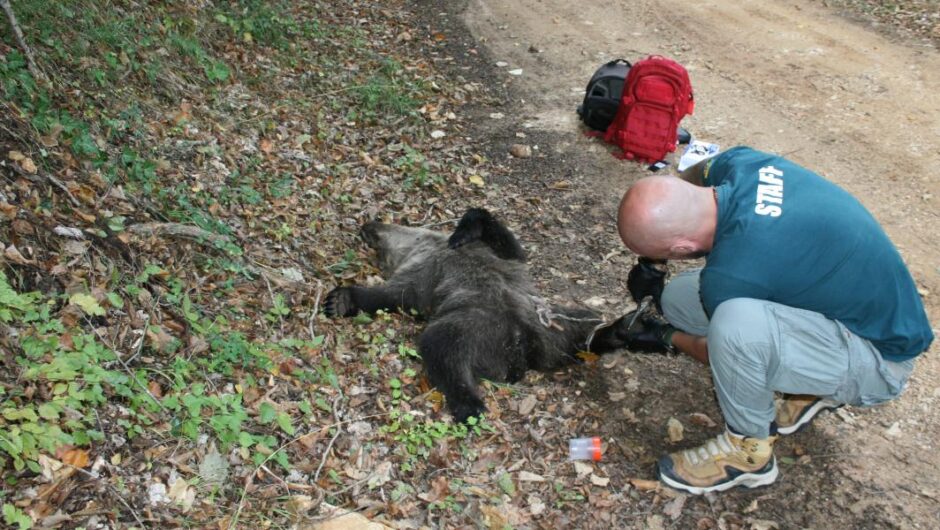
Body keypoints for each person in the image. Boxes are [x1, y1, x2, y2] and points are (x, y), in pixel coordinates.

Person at [613, 146, 933, 495]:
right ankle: (811, 382)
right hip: (851, 309)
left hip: (882, 360)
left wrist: (665, 337)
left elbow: (718, 349)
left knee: (735, 327)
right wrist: (657, 258)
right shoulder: (742, 164)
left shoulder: (734, 276)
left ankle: (749, 453)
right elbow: (689, 178)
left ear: (680, 248)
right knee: (678, 298)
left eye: (664, 255)